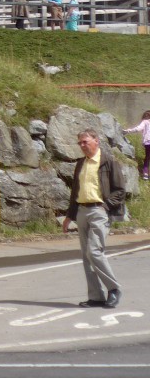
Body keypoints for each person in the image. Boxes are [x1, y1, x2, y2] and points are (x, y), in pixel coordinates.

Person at [62, 128, 125, 308]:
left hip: (99, 211)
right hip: (82, 211)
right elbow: (75, 191)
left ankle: (114, 289)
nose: (82, 145)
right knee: (86, 256)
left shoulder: (108, 161)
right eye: (80, 143)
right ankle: (96, 297)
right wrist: (69, 216)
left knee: (94, 252)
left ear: (96, 141)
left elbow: (120, 190)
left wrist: (105, 207)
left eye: (85, 142)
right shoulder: (81, 163)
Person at [123, 109, 150, 180]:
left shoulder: (145, 122)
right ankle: (146, 174)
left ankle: (145, 174)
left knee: (147, 158)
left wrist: (127, 131)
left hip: (148, 143)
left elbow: (138, 129)